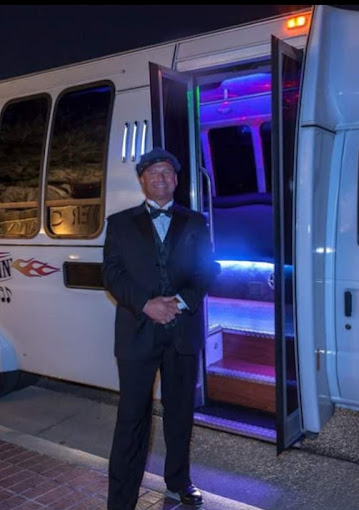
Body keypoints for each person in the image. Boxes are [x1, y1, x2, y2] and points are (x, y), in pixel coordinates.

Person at [103, 147, 219, 510]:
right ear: (142, 180)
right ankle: (121, 500)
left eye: (167, 172)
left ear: (176, 180)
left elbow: (207, 270)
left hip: (182, 333)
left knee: (180, 413)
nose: (161, 178)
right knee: (132, 417)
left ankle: (179, 481)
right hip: (138, 332)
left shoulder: (195, 222)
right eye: (153, 173)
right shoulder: (120, 223)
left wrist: (180, 302)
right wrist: (146, 304)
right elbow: (112, 275)